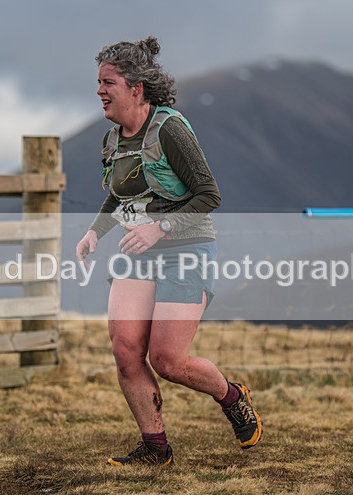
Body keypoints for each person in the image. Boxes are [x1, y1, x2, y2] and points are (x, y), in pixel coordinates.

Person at [76, 36, 262, 466]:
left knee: (167, 359)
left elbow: (208, 194)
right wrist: (93, 232)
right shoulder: (111, 141)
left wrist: (160, 228)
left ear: (136, 88)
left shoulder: (169, 128)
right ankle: (155, 448)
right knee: (125, 349)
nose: (100, 91)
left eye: (109, 83)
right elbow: (120, 197)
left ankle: (231, 396)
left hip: (187, 247)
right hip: (137, 252)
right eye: (98, 82)